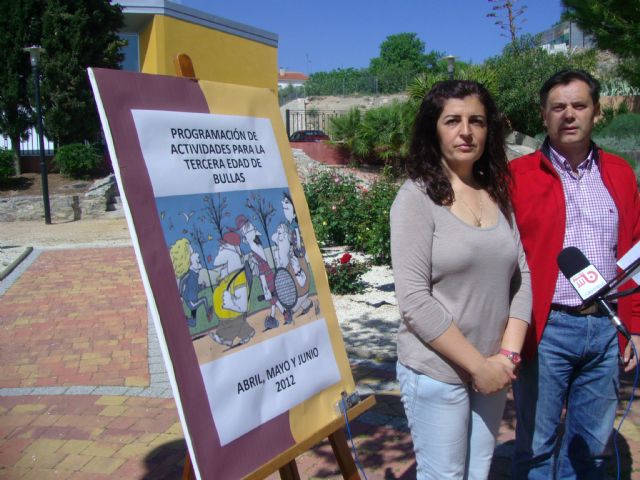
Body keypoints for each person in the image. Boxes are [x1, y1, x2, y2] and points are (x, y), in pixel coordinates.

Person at [391, 80, 532, 479]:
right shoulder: (415, 199)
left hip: (493, 366)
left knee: (478, 471)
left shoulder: (496, 193)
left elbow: (521, 278)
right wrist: (478, 367)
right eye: (452, 120)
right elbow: (415, 301)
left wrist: (506, 358)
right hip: (438, 372)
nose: (466, 131)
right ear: (433, 130)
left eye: (477, 121)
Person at [509, 69, 640, 479]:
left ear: (596, 112)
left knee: (592, 450)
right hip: (545, 329)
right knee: (535, 447)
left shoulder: (620, 172)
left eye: (579, 105)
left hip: (605, 329)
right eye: (558, 107)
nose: (569, 115)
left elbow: (634, 254)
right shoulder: (517, 176)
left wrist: (635, 327)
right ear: (543, 115)